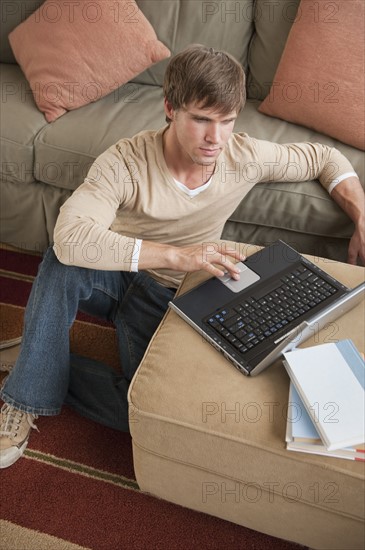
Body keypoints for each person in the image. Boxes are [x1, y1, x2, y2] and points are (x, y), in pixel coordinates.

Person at [1, 45, 364, 469]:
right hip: (116, 274)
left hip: (169, 299)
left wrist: (361, 214)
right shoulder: (124, 161)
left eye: (227, 121)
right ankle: (23, 396)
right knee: (62, 263)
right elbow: (70, 238)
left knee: (144, 412)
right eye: (202, 120)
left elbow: (325, 157)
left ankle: (36, 354)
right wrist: (178, 255)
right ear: (171, 108)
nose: (216, 138)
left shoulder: (242, 156)